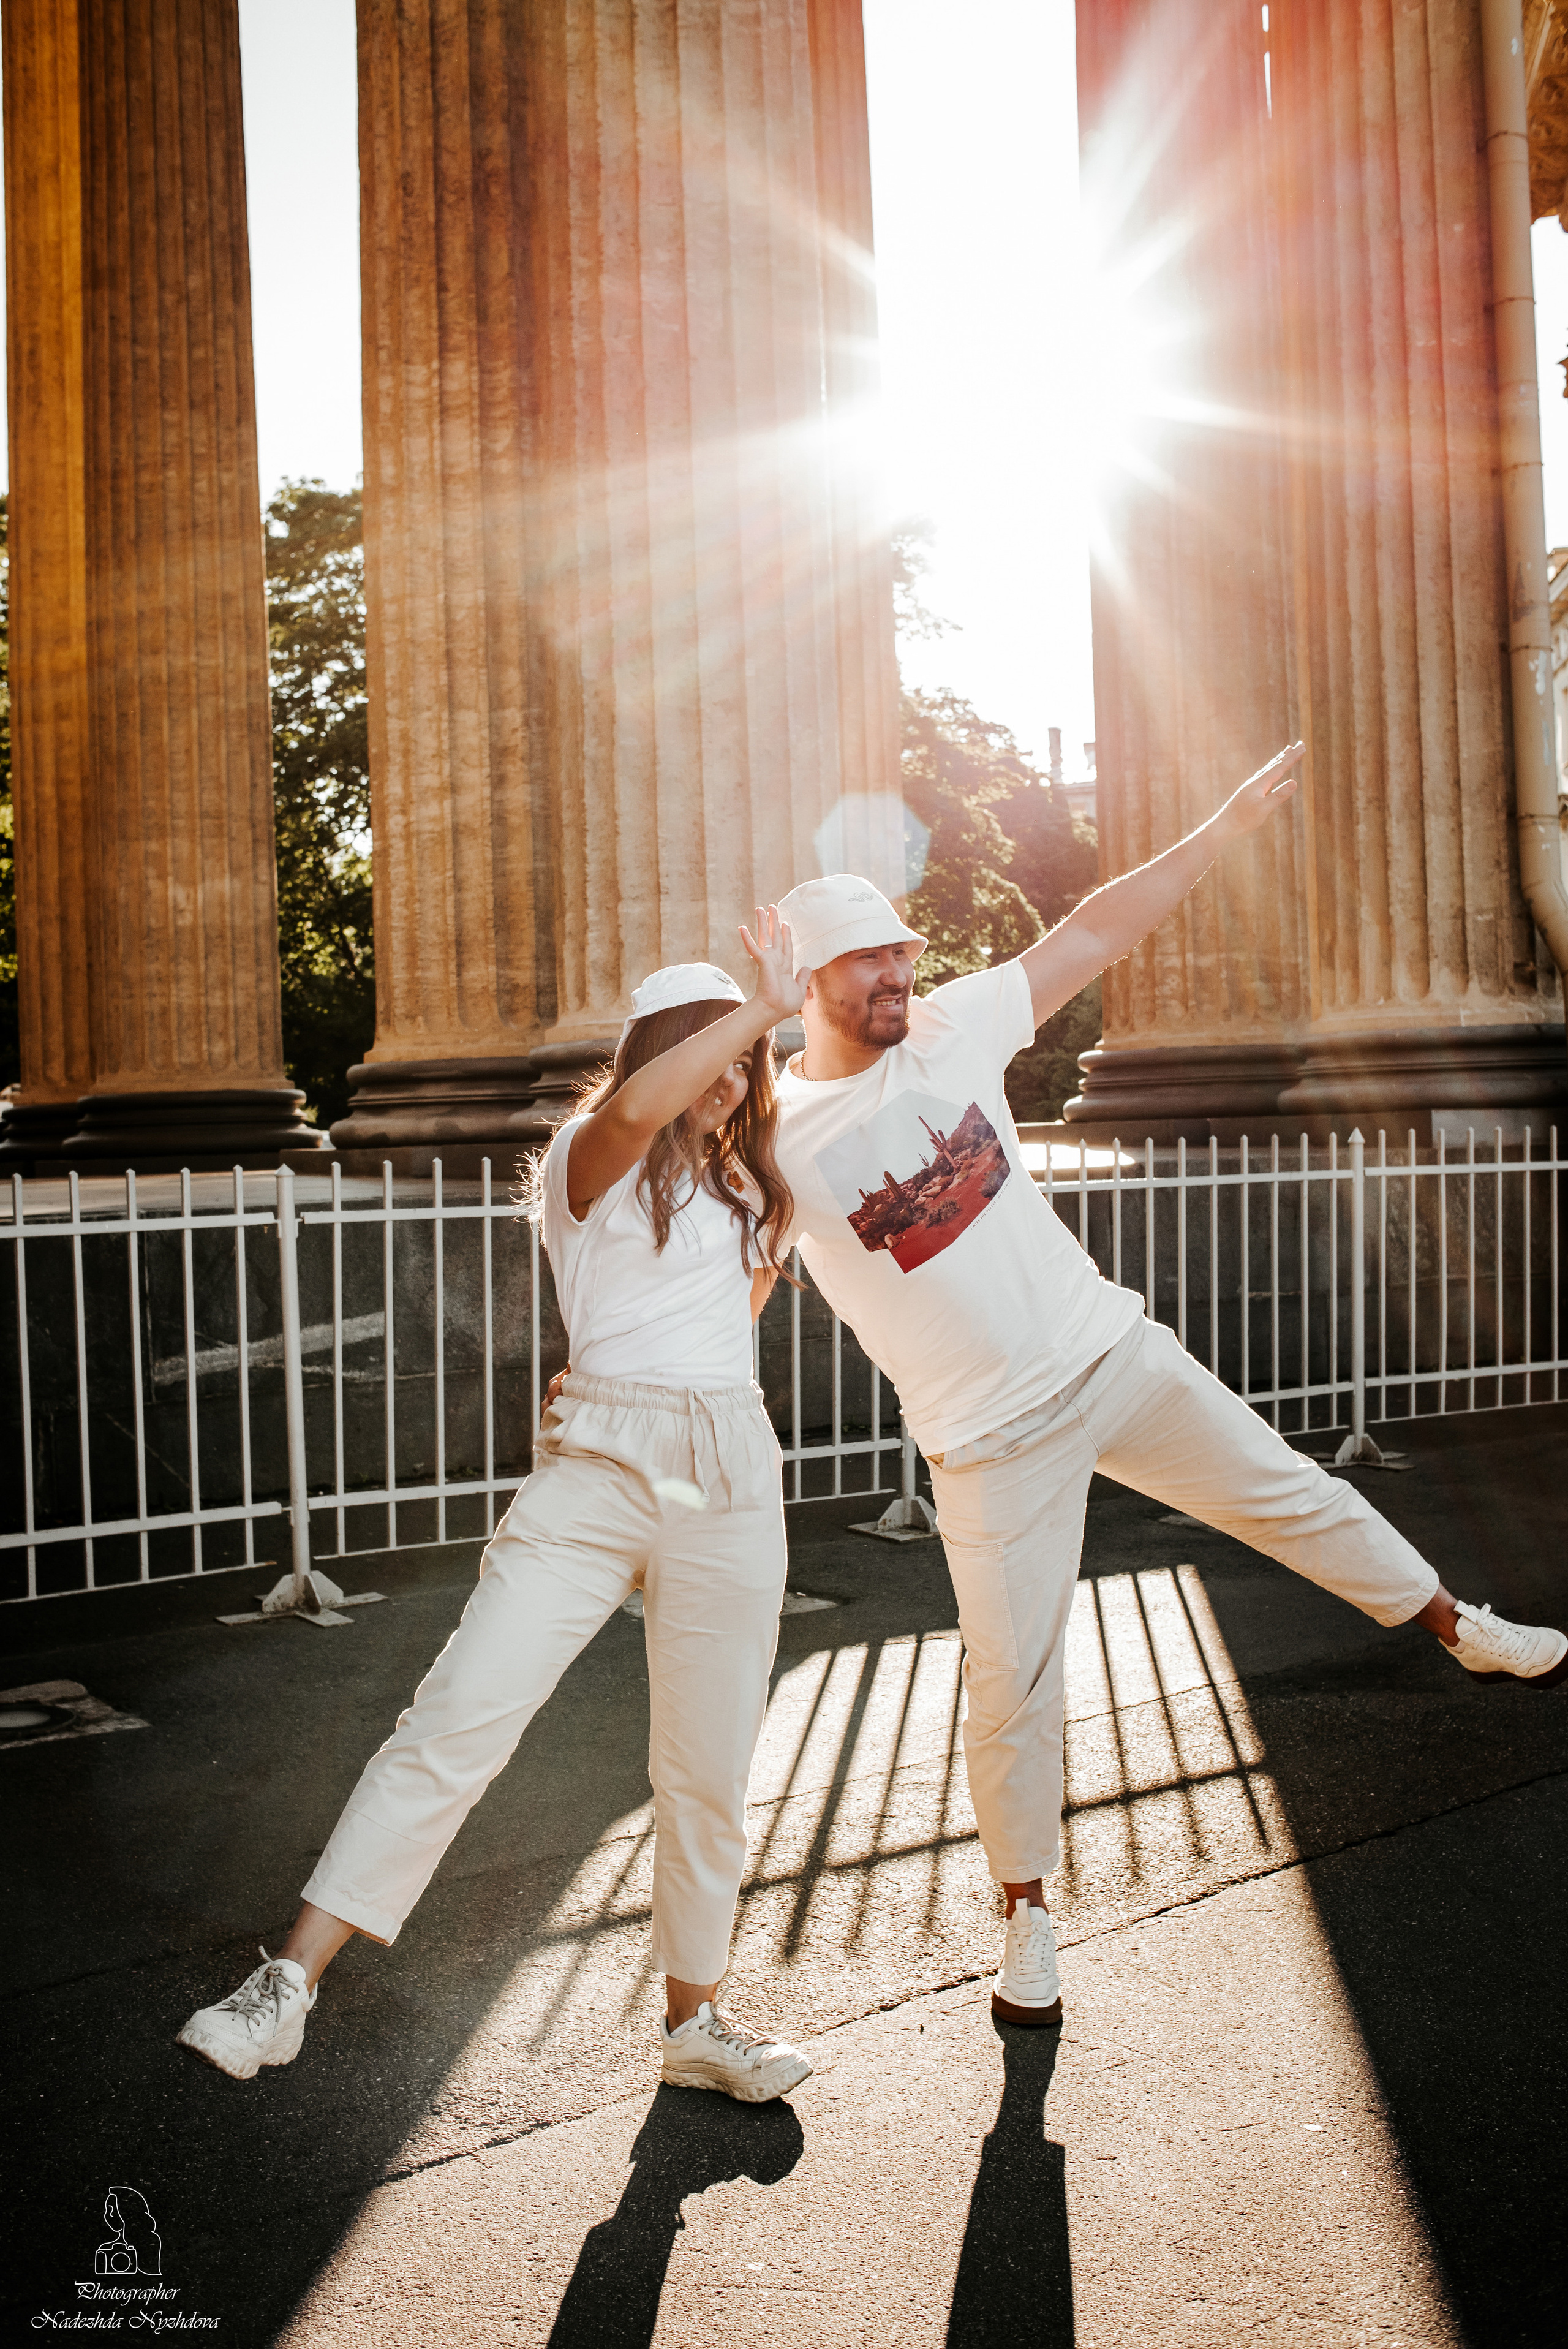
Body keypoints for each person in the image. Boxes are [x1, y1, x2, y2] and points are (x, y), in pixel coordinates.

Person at [770, 745, 1567, 2029]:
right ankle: (1026, 1920)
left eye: (901, 954)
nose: (896, 975)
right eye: (867, 961)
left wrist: (1216, 828)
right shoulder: (773, 1136)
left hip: (1110, 1356)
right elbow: (724, 1248)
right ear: (805, 978)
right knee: (1009, 1677)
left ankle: (1459, 1629)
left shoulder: (953, 1023)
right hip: (983, 1441)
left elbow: (1094, 929)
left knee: (1289, 1493)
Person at [177, 917, 816, 2105]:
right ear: (662, 1054)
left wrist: (688, 1411)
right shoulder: (594, 1147)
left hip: (723, 1476)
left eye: (747, 1063)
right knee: (457, 1718)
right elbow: (635, 1115)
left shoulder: (764, 1194)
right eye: (715, 1054)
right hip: (595, 1473)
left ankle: (696, 2021)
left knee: (707, 1765)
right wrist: (761, 1007)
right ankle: (287, 1985)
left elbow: (728, 1333)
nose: (734, 1079)